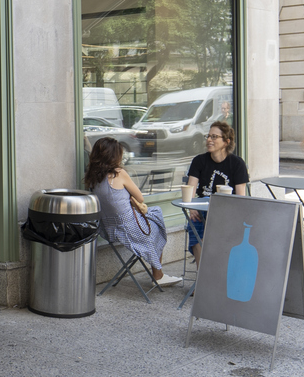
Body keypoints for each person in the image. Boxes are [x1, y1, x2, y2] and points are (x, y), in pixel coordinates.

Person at [84, 137, 181, 286]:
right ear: (114, 155)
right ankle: (158, 275)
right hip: (130, 229)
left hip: (108, 230)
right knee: (157, 225)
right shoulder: (118, 173)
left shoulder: (92, 179)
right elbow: (140, 198)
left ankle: (158, 274)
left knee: (154, 216)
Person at [182, 120, 248, 265]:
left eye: (214, 137)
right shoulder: (199, 161)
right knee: (195, 224)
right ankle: (201, 280)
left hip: (227, 210)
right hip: (202, 207)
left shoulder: (237, 164)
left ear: (226, 142)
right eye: (208, 136)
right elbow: (191, 187)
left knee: (216, 233)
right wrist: (192, 207)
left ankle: (214, 275)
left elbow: (241, 198)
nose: (209, 140)